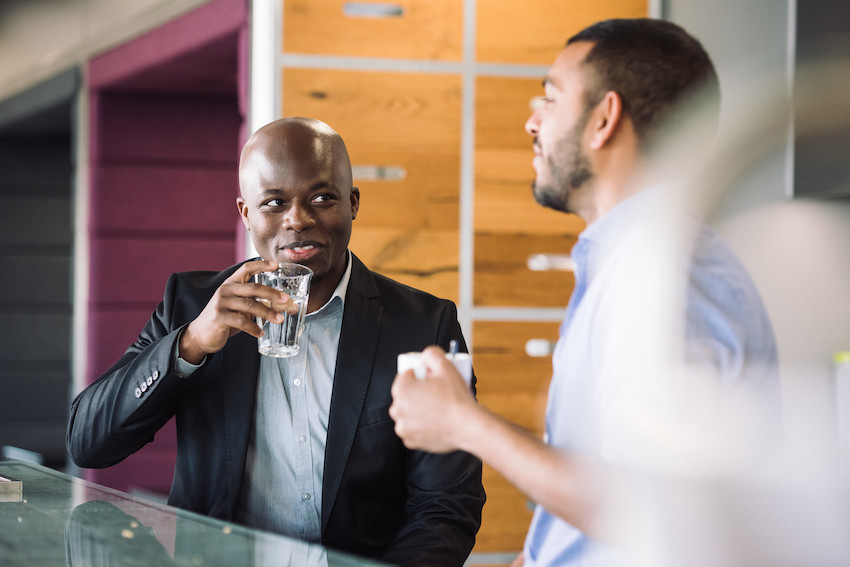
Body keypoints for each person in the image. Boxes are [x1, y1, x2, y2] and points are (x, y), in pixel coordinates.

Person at [389, 18, 780, 567]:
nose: (532, 122)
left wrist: (465, 424)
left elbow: (651, 509)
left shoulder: (671, 276)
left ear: (603, 119)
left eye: (550, 99)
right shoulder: (626, 264)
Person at [67, 117, 485, 565]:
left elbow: (445, 507)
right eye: (274, 203)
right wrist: (190, 344)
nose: (298, 219)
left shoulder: (423, 325)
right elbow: (89, 443)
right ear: (246, 213)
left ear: (353, 202)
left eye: (322, 198)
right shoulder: (190, 306)